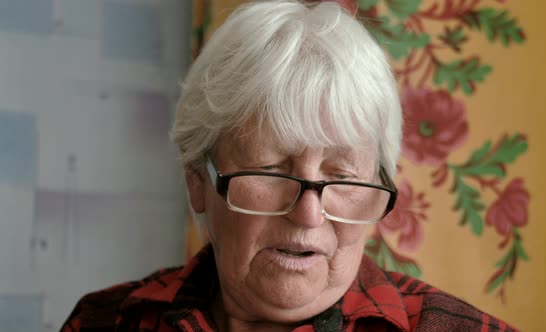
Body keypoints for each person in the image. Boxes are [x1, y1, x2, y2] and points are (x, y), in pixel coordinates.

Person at [61, 1, 518, 331]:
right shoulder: (103, 321)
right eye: (272, 169)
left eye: (341, 177)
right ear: (198, 180)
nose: (309, 214)